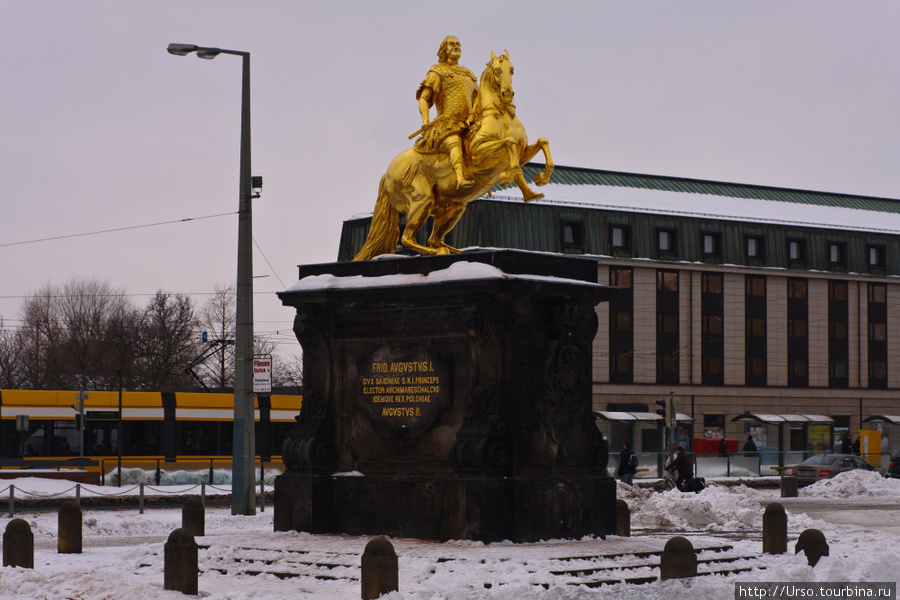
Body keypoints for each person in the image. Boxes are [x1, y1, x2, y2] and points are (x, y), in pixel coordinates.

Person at [414, 35, 478, 188]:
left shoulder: (469, 74)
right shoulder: (437, 71)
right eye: (451, 44)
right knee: (454, 140)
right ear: (444, 49)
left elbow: (478, 100)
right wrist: (425, 121)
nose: (456, 46)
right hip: (446, 124)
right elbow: (424, 98)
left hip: (468, 123)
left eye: (458, 44)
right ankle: (460, 177)